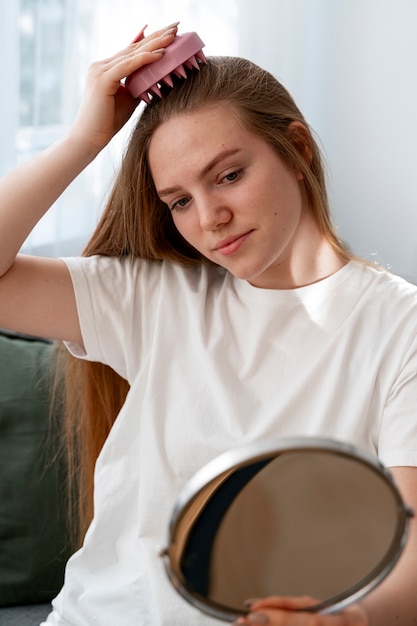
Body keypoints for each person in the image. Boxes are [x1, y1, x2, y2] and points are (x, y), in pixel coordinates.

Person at [0, 20, 416, 626]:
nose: (212, 218)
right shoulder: (150, 296)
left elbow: (406, 548)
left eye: (228, 175)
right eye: (180, 201)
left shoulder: (400, 327)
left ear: (297, 150)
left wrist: (346, 622)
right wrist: (83, 142)